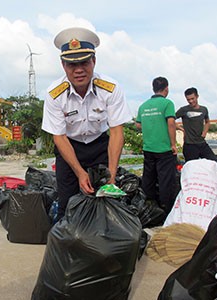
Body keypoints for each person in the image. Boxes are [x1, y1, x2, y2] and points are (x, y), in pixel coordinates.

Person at [41, 27, 132, 220]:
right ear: (63, 65)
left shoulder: (110, 88)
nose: (79, 70)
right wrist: (80, 173)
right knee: (68, 204)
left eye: (84, 62)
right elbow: (59, 137)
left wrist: (112, 176)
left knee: (105, 203)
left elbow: (116, 133)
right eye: (72, 64)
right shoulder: (54, 94)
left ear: (94, 61)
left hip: (100, 146)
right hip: (69, 148)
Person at [135, 77, 177, 214]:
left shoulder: (144, 106)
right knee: (166, 181)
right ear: (166, 88)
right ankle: (166, 210)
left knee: (149, 179)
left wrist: (150, 127)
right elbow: (171, 123)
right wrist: (173, 144)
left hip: (148, 148)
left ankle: (150, 208)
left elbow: (138, 124)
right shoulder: (167, 103)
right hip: (164, 149)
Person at [175, 87, 217, 165]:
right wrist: (181, 129)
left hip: (202, 143)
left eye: (192, 98)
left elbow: (207, 122)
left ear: (197, 96)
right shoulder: (183, 110)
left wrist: (204, 132)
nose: (191, 101)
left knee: (214, 163)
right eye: (188, 99)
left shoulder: (204, 109)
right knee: (192, 167)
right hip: (190, 145)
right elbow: (171, 121)